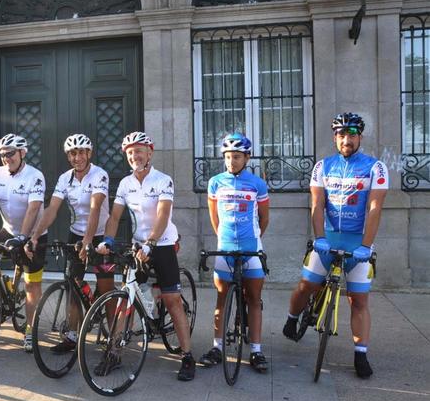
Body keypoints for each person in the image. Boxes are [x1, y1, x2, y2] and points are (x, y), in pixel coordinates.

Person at [282, 112, 388, 379]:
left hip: (358, 243)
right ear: (335, 137)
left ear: (360, 137)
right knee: (307, 285)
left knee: (359, 300)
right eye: (341, 135)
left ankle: (361, 354)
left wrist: (367, 245)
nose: (346, 139)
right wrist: (319, 238)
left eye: (351, 135)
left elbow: (375, 208)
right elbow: (317, 204)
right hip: (327, 238)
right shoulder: (323, 166)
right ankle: (292, 318)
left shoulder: (376, 168)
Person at [95, 131, 196, 381]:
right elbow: (115, 217)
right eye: (130, 153)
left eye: (139, 151)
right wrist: (107, 240)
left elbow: (163, 215)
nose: (134, 156)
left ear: (150, 153)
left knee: (172, 300)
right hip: (138, 245)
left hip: (162, 243)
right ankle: (114, 353)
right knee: (125, 298)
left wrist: (151, 242)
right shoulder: (126, 184)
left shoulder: (163, 180)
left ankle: (187, 356)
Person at [25, 133, 112, 353]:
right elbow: (52, 209)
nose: (77, 157)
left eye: (81, 152)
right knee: (73, 285)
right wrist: (35, 236)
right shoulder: (66, 178)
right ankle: (72, 335)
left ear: (89, 154)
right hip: (76, 235)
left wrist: (89, 242)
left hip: (99, 236)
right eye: (73, 153)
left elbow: (94, 209)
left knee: (105, 287)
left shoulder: (99, 175)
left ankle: (114, 336)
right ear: (68, 156)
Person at [199, 132, 270, 372]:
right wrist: (223, 239)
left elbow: (264, 218)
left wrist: (254, 240)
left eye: (237, 157)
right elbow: (214, 216)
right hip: (225, 248)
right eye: (228, 157)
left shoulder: (257, 184)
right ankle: (217, 346)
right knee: (221, 299)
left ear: (247, 157)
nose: (232, 162)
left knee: (254, 300)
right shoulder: (215, 182)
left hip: (251, 248)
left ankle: (256, 351)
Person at [0, 133, 46, 352]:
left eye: (10, 153)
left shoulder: (35, 176)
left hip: (33, 234)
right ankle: (0, 288)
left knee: (32, 285)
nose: (6, 158)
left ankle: (30, 330)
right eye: (3, 154)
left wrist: (23, 238)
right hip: (8, 229)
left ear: (22, 153)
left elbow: (33, 209)